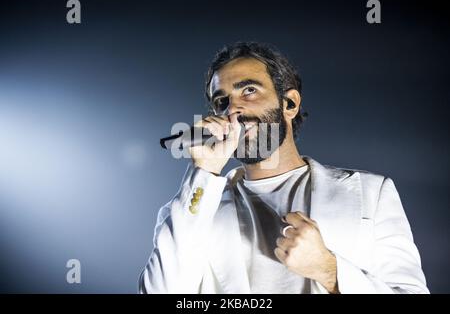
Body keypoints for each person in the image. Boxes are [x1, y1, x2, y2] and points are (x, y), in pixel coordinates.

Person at [138, 42, 429, 294]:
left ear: (289, 103)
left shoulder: (372, 193)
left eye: (249, 90)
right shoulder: (191, 209)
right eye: (221, 101)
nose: (232, 109)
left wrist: (330, 270)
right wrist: (204, 171)